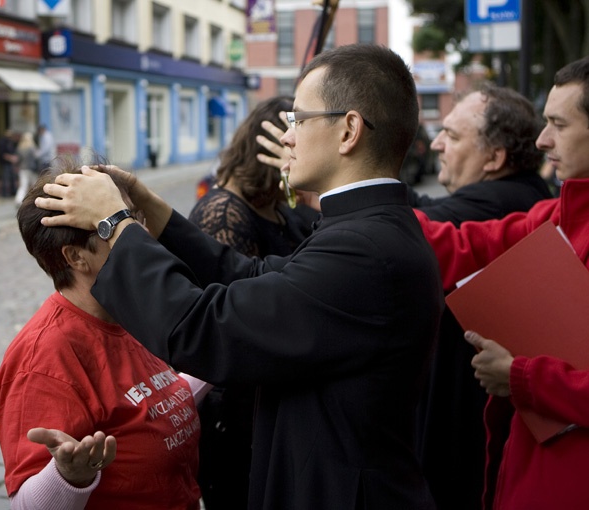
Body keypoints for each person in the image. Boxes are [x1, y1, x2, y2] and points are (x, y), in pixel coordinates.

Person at [36, 44, 444, 510]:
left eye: (299, 119)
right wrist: (152, 209)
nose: (288, 137)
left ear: (348, 130)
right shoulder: (370, 227)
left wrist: (115, 224)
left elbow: (208, 329)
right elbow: (252, 275)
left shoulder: (365, 247)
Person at [256, 82, 553, 509]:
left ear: (495, 158)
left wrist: (331, 175)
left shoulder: (503, 201)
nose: (437, 146)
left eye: (452, 135)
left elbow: (406, 221)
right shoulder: (514, 194)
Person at [408, 57, 589, 509]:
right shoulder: (556, 215)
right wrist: (358, 195)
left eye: (559, 125)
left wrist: (522, 378)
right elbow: (463, 245)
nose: (544, 140)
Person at [0, 157, 203, 510]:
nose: (141, 234)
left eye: (132, 216)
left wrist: (215, 355)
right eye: (117, 223)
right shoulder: (44, 358)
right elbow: (26, 504)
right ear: (76, 257)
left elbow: (154, 405)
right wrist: (70, 475)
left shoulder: (129, 311)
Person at [188, 95, 316, 510]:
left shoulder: (284, 207)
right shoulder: (224, 211)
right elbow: (237, 311)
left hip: (278, 397)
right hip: (239, 410)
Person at [14, 131, 40, 206]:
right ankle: (37, 198)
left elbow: (18, 159)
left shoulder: (20, 148)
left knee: (23, 185)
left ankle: (18, 200)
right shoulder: (32, 148)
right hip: (31, 169)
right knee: (35, 185)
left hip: (22, 169)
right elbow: (37, 157)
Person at [0, 129, 19, 197]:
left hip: (10, 163)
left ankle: (12, 192)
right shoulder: (3, 142)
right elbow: (2, 154)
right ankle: (5, 193)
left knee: (12, 178)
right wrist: (11, 158)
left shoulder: (10, 142)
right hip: (5, 163)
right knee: (6, 178)